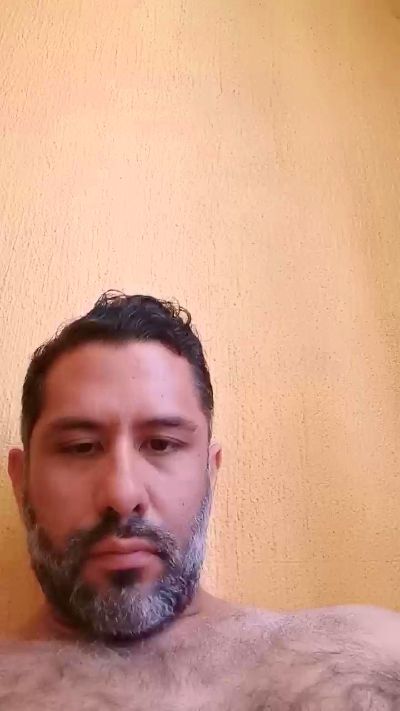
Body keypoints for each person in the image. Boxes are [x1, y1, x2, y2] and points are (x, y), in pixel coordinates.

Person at [2, 291, 400, 710]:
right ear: (21, 480)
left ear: (210, 472)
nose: (122, 494)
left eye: (161, 444)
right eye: (81, 447)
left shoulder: (370, 656)